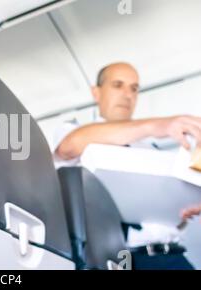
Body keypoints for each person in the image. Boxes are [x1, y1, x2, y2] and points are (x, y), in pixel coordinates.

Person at [52, 62, 200, 269]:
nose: (127, 94)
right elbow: (69, 147)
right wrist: (158, 125)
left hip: (173, 256)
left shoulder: (150, 148)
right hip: (123, 259)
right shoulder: (75, 130)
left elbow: (169, 215)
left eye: (134, 88)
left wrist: (185, 208)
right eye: (118, 85)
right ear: (96, 93)